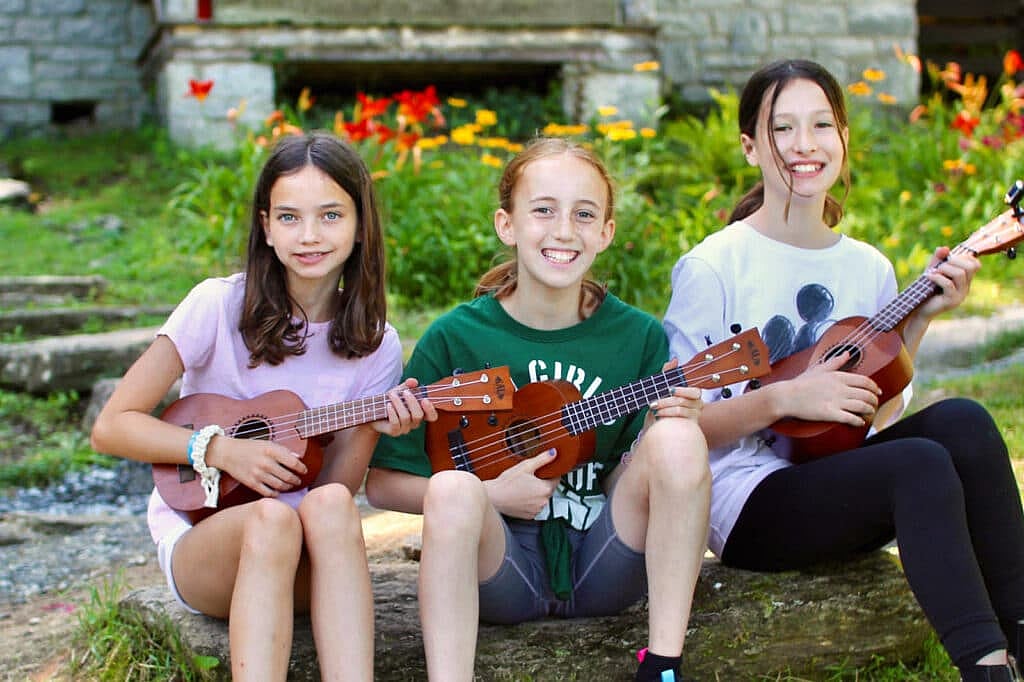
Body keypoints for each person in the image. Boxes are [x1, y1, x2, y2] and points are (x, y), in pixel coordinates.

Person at [662, 58, 1024, 681]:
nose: (805, 146)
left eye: (822, 125)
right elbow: (675, 430)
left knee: (963, 422)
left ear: (844, 138)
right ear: (750, 147)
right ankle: (988, 670)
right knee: (918, 463)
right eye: (783, 129)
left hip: (830, 474)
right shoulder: (714, 267)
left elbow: (871, 415)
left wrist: (920, 321)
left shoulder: (868, 268)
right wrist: (785, 399)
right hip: (748, 504)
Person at [90, 131, 434, 681]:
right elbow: (111, 427)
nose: (310, 235)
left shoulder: (375, 340)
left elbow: (334, 495)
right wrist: (219, 449)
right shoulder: (217, 305)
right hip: (207, 544)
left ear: (360, 225)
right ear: (266, 225)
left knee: (327, 511)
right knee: (273, 519)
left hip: (306, 557)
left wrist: (370, 426)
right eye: (290, 217)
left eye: (330, 215)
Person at [365, 136, 710, 682]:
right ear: (508, 225)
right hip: (501, 568)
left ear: (606, 232)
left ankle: (663, 666)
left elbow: (630, 472)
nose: (564, 230)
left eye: (584, 213)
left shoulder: (637, 336)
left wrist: (657, 431)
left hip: (605, 560)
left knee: (680, 437)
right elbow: (382, 484)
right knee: (453, 487)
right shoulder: (457, 337)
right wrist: (487, 493)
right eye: (543, 210)